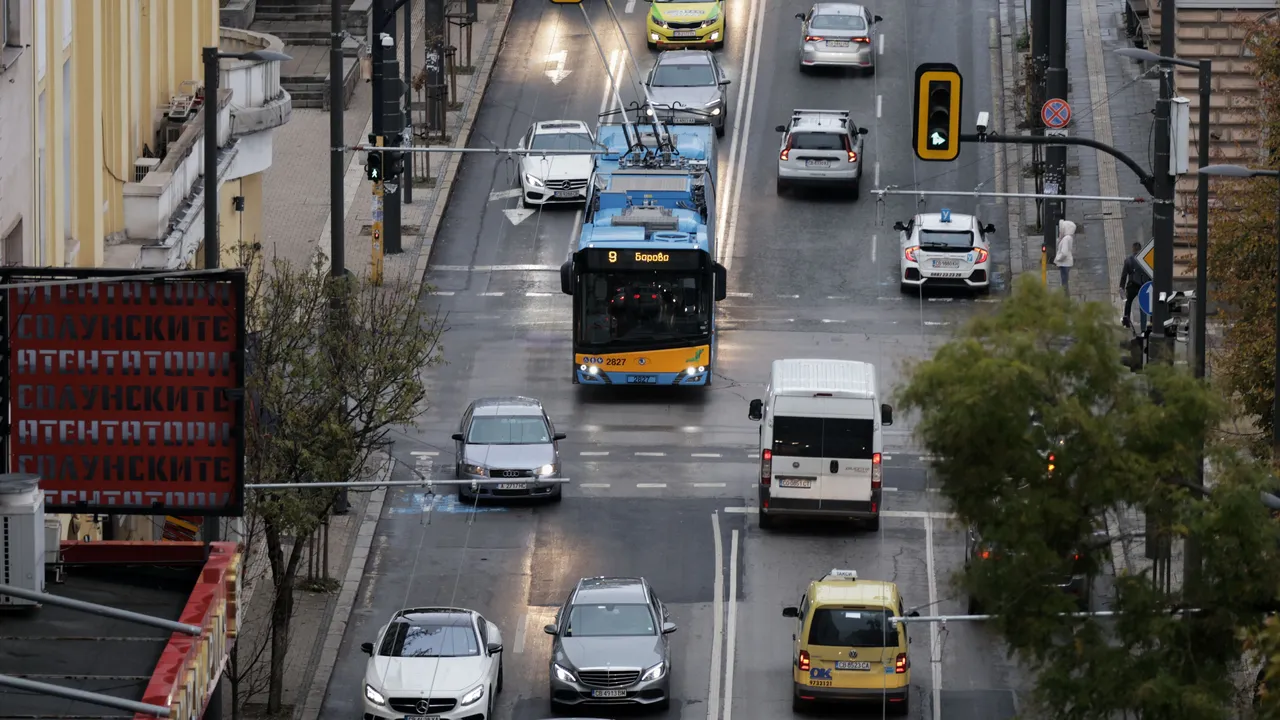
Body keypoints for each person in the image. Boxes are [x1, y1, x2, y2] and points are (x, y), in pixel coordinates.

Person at [1119, 241, 1150, 332]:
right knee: (1143, 307)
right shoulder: (1145, 259)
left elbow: (1124, 275)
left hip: (1132, 285)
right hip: (1143, 285)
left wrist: (1121, 287)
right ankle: (1143, 328)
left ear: (1133, 249)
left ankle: (1126, 324)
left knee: (1128, 304)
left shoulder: (1128, 260)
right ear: (1141, 249)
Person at [1053, 219, 1076, 296]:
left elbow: (1064, 253)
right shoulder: (1069, 237)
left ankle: (1066, 299)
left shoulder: (1066, 239)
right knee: (1064, 282)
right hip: (1067, 263)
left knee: (1064, 283)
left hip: (1064, 264)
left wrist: (1058, 258)